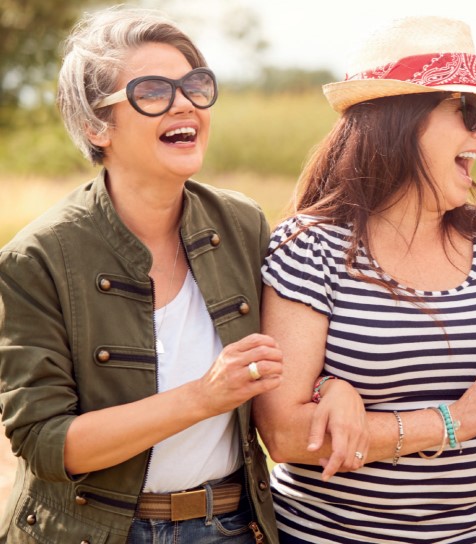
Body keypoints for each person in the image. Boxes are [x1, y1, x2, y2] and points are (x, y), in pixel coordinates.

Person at [250, 16, 476, 544]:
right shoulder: (309, 246)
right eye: (468, 111)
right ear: (399, 121)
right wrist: (454, 420)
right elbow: (285, 434)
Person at [0, 6, 282, 543]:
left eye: (195, 85)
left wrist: (334, 388)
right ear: (94, 125)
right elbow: (44, 442)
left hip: (232, 527)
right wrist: (203, 397)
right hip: (91, 532)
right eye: (152, 91)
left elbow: (294, 365)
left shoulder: (243, 225)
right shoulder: (36, 257)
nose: (185, 104)